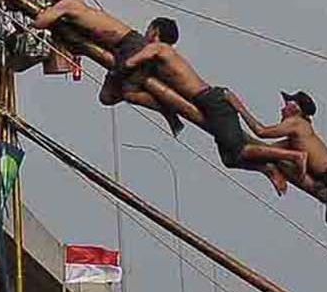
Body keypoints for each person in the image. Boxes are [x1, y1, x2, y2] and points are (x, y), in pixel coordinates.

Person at [122, 41, 308, 191]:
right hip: (207, 104)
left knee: (240, 150)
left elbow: (130, 62)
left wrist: (121, 65)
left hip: (212, 101)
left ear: (154, 31)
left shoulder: (158, 48)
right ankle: (268, 169)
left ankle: (294, 156)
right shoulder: (161, 62)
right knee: (229, 159)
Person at [33, 0, 186, 136]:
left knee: (130, 94)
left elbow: (40, 22)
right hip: (118, 50)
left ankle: (167, 109)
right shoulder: (72, 8)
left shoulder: (68, 4)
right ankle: (157, 98)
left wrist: (41, 12)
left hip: (128, 46)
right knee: (106, 97)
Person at [227, 90, 327, 241]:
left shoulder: (297, 123)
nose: (282, 110)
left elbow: (261, 131)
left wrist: (239, 107)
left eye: (286, 105)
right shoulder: (294, 139)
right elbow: (266, 151)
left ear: (296, 108)